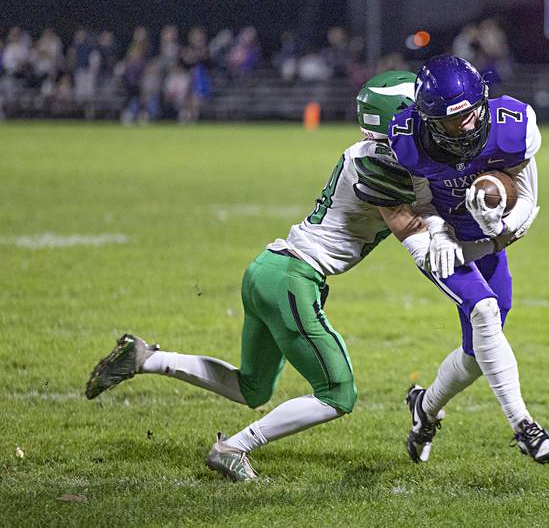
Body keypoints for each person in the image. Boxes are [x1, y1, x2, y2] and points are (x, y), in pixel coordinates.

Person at [84, 70, 495, 481]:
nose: (429, 126)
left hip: (270, 269)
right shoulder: (381, 164)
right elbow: (413, 227)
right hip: (292, 278)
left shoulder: (375, 154)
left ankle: (146, 358)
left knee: (253, 388)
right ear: (395, 122)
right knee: (338, 394)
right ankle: (232, 448)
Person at [388, 54, 549, 465]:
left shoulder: (512, 126)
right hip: (443, 247)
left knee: (477, 354)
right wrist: (439, 232)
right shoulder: (410, 139)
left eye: (469, 114)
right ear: (430, 121)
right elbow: (421, 203)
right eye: (452, 121)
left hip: (487, 246)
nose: (464, 124)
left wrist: (497, 224)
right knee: (484, 312)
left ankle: (424, 410)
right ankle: (525, 427)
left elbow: (529, 202)